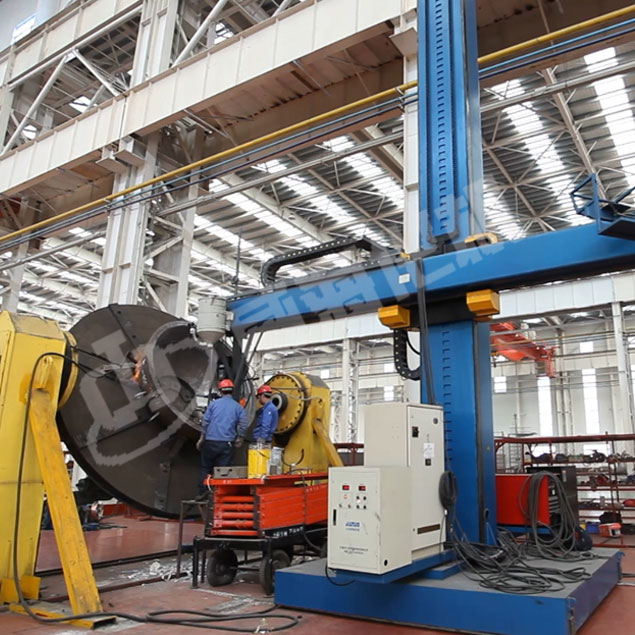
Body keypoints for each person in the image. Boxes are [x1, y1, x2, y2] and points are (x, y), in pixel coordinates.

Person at [197, 378, 247, 494]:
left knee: (205, 469)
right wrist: (240, 438)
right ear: (232, 391)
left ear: (220, 391)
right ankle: (219, 495)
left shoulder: (213, 404)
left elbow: (205, 422)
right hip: (226, 444)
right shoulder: (237, 407)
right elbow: (244, 424)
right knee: (223, 471)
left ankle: (203, 494)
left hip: (211, 442)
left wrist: (201, 438)